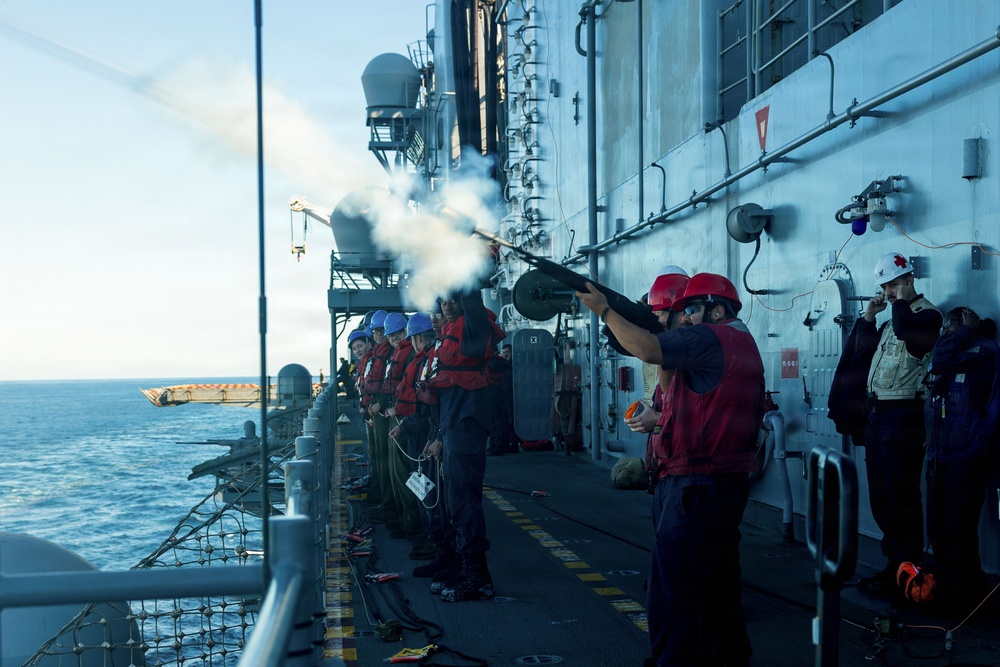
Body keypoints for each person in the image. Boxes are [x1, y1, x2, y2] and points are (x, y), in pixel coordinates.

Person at [577, 272, 763, 667]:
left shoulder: (710, 337)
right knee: (718, 590)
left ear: (716, 310)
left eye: (692, 310)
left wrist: (604, 309)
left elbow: (647, 349)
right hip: (719, 483)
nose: (685, 320)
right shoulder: (739, 342)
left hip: (694, 485)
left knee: (673, 592)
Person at [851, 252, 941, 596]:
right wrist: (870, 318)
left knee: (901, 495)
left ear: (909, 280)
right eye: (885, 286)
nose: (888, 292)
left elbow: (909, 333)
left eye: (893, 285)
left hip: (904, 415)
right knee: (881, 495)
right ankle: (895, 568)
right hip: (878, 414)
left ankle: (909, 570)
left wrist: (900, 302)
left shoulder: (926, 316)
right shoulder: (892, 319)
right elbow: (862, 353)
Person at [425, 290, 506, 602]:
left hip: (468, 421)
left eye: (453, 300)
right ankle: (465, 565)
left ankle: (477, 576)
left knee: (464, 500)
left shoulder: (473, 326)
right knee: (455, 499)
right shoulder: (451, 330)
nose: (446, 306)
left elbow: (471, 298)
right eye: (442, 300)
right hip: (454, 420)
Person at [923, 306, 999, 609]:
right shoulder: (958, 354)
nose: (944, 335)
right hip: (942, 453)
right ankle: (947, 589)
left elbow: (940, 359)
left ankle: (967, 596)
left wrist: (967, 331)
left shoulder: (984, 353)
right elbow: (935, 365)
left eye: (949, 329)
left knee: (958, 527)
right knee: (938, 525)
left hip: (969, 455)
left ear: (966, 328)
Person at [381, 312, 427, 544]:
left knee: (410, 475)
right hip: (404, 419)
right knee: (399, 473)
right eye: (390, 336)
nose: (393, 339)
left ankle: (416, 526)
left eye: (398, 334)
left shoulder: (411, 357)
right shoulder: (404, 355)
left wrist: (401, 418)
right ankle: (408, 521)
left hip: (411, 422)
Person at [486, 343, 518, 455]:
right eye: (503, 352)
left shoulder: (495, 363)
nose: (504, 355)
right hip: (500, 395)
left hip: (498, 395)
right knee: (500, 421)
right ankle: (499, 444)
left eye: (507, 353)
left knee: (498, 421)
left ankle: (499, 445)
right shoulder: (502, 364)